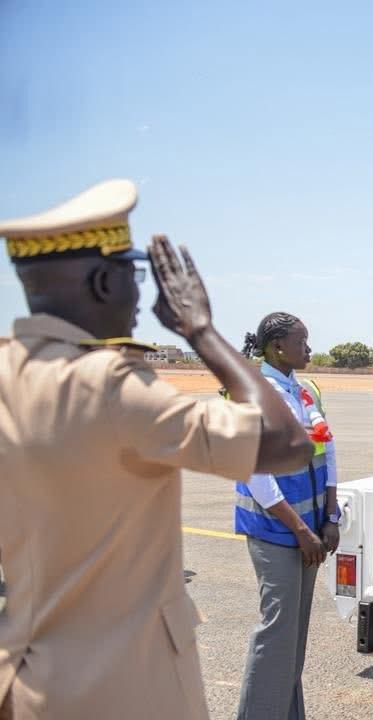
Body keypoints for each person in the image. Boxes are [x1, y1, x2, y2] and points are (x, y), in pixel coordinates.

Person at [0, 180, 312, 720]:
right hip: (124, 688)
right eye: (133, 275)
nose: (140, 296)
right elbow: (286, 444)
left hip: (28, 685)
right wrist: (202, 330)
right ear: (102, 281)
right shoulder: (109, 386)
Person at [234, 312, 339, 720]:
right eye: (302, 342)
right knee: (276, 633)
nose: (309, 349)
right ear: (277, 347)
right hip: (276, 530)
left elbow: (327, 451)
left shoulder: (305, 388)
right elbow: (256, 475)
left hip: (310, 528)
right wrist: (300, 530)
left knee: (294, 638)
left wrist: (330, 517)